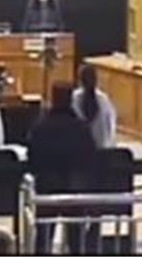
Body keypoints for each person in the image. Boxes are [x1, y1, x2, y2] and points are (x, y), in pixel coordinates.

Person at [28, 82, 97, 254]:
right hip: (75, 188)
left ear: (52, 99)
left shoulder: (41, 127)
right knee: (76, 240)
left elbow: (32, 158)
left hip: (47, 189)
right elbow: (91, 156)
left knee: (43, 237)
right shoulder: (81, 128)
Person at [72, 64, 117, 148]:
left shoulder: (74, 98)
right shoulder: (103, 99)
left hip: (79, 148)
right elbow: (111, 124)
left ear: (79, 80)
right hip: (101, 147)